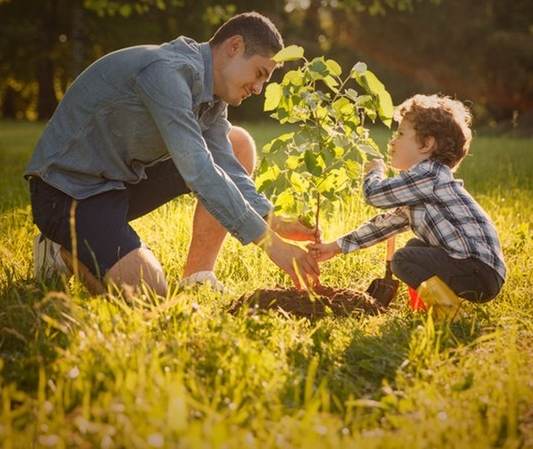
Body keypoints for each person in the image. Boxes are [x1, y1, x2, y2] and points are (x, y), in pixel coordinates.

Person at [26, 11, 320, 296]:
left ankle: (198, 277)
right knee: (149, 292)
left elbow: (227, 166)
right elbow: (200, 171)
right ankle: (59, 248)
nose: (258, 88)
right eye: (259, 74)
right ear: (235, 46)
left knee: (236, 143)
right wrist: (272, 245)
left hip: (117, 183)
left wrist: (273, 220)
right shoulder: (167, 72)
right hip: (67, 192)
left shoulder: (214, 98)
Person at [309, 94, 505, 315]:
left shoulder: (428, 174)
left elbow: (374, 195)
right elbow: (383, 225)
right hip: (479, 270)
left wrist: (375, 171)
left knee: (402, 260)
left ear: (426, 144)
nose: (392, 141)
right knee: (413, 248)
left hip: (477, 269)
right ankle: (425, 308)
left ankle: (450, 314)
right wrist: (334, 247)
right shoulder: (422, 186)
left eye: (401, 134)